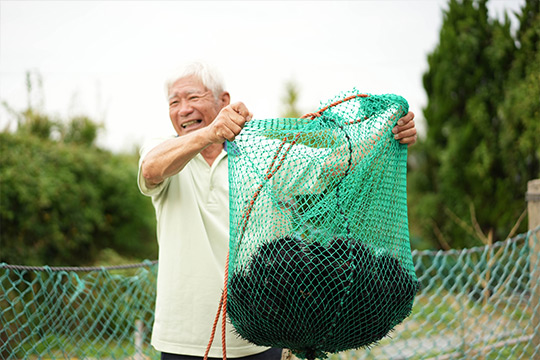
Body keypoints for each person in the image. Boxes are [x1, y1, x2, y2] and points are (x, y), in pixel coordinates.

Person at [138, 62, 418, 360]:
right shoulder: (164, 151)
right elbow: (151, 169)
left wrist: (388, 133)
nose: (183, 109)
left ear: (223, 101)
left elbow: (332, 163)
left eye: (193, 98)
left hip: (260, 336)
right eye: (174, 102)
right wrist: (209, 134)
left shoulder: (263, 156)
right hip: (182, 341)